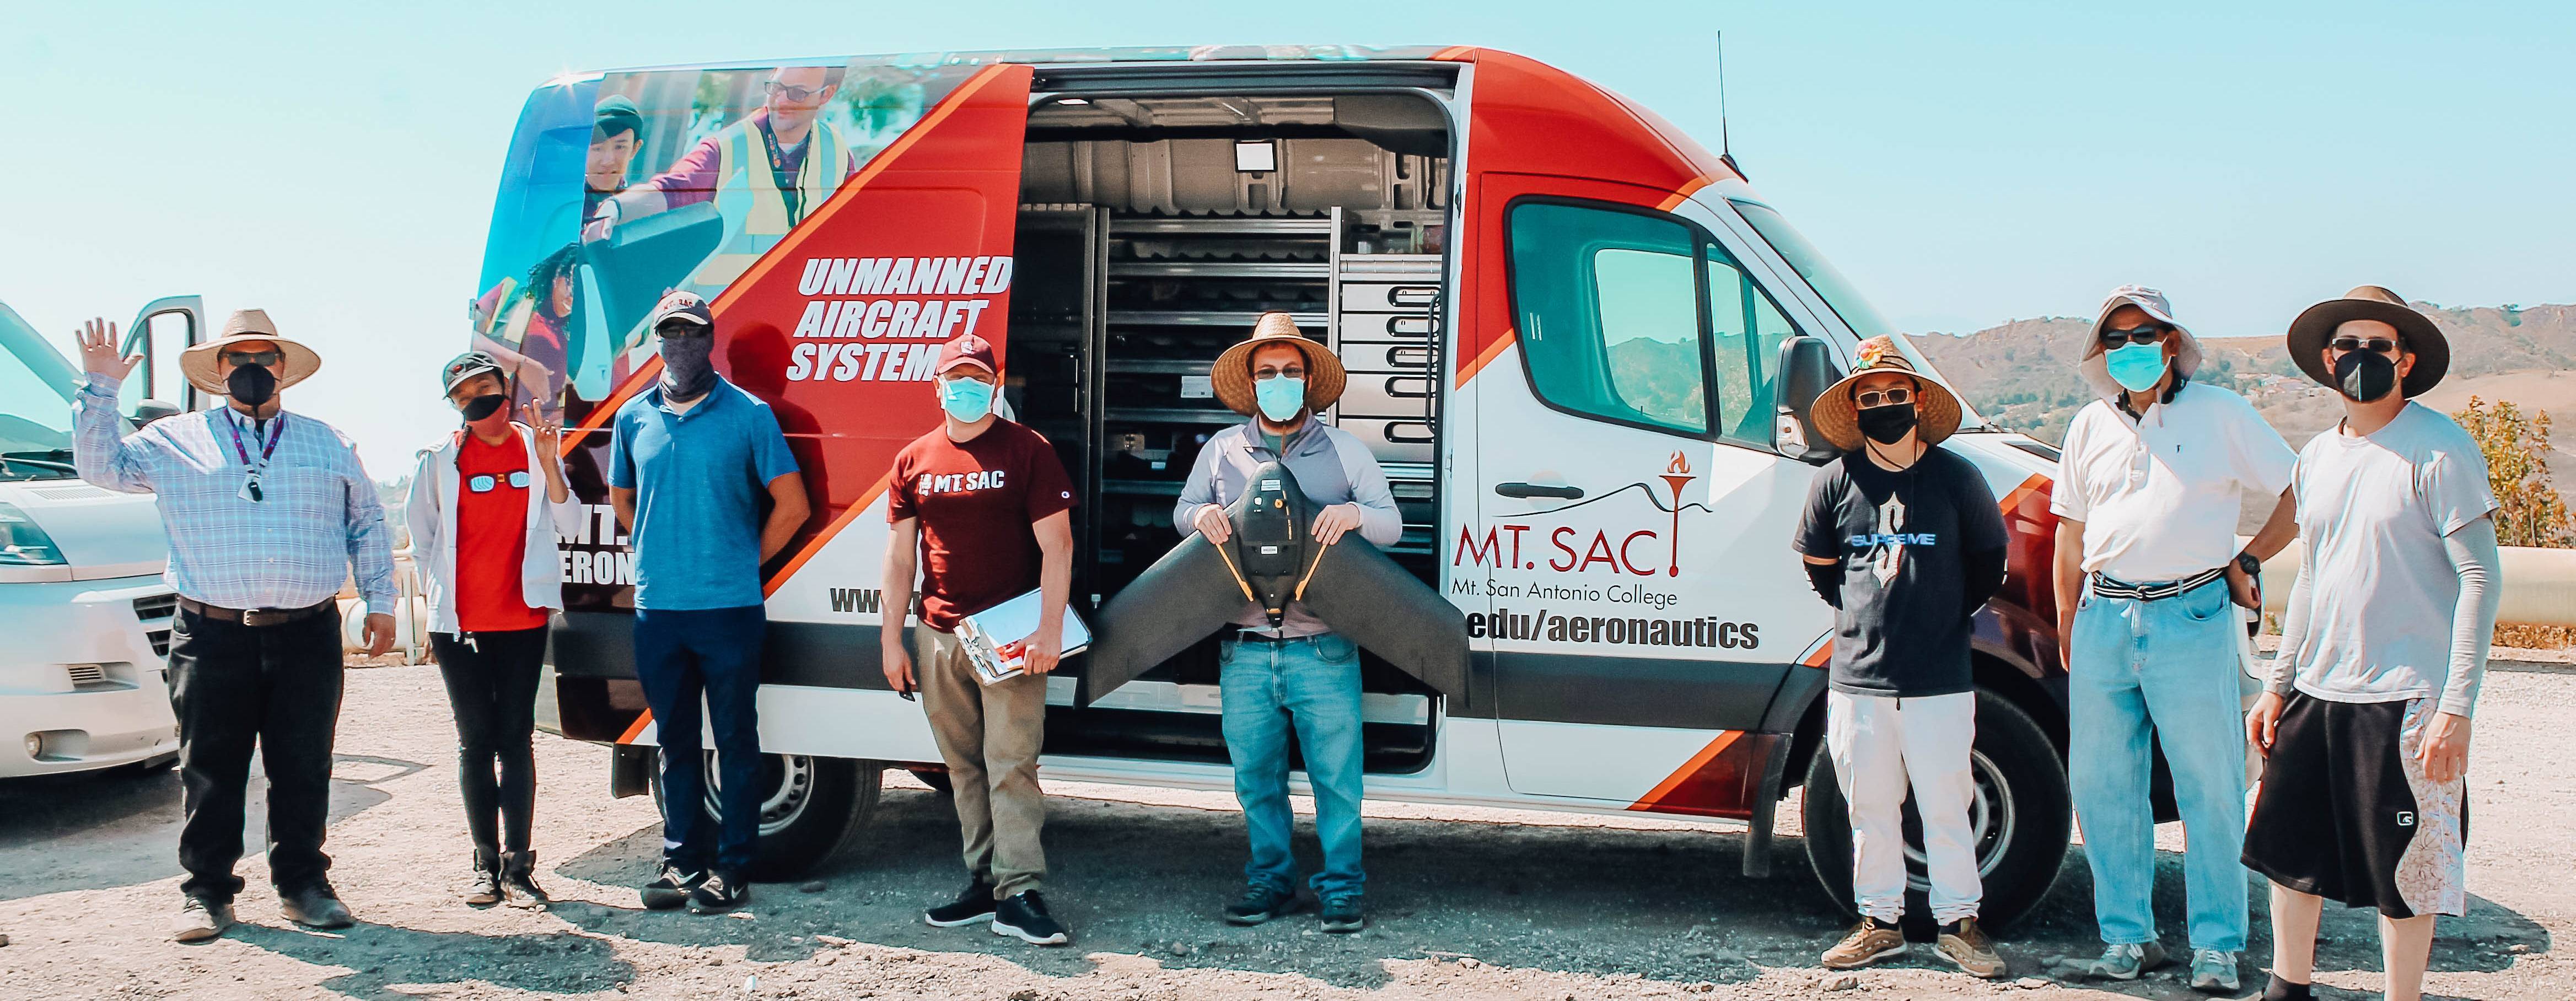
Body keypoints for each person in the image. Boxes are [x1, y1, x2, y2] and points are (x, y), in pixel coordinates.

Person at [69, 310, 397, 943]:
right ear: (218, 372)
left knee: (303, 765)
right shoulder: (172, 440)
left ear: (284, 370)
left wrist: (381, 600)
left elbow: (367, 523)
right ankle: (208, 892)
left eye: (265, 358)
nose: (252, 368)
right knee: (210, 766)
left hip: (307, 631)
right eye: (237, 358)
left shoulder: (328, 441)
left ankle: (303, 884)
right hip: (211, 630)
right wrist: (101, 388)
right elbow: (99, 466)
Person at [2244, 286, 2498, 1001]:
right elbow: (2314, 576)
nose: (2360, 359)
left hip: (2407, 699)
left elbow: (2481, 577)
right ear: (2328, 360)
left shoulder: (2440, 449)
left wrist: (2457, 706)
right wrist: (2275, 683)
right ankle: (2286, 989)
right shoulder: (2316, 457)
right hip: (2316, 693)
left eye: (2377, 348)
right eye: (2347, 347)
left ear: (2405, 361)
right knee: (2288, 858)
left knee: (2406, 873)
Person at [2051, 287, 2298, 992]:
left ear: (2169, 342)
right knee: (2102, 788)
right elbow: (2069, 528)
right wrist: (2067, 614)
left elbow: (2298, 488)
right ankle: (2128, 939)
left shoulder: (2220, 414)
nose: (2131, 347)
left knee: (2210, 786)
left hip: (2189, 614)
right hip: (2102, 617)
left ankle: (2217, 947)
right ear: (2103, 352)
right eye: (2117, 337)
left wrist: (2247, 558)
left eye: (2144, 333)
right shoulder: (2086, 427)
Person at [1173, 313, 1400, 934]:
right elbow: (1182, 511)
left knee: (1337, 782)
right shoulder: (1220, 451)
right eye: (1267, 372)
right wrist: (1201, 519)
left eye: (1290, 371)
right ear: (1252, 382)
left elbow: (1392, 524)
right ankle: (1269, 882)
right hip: (1244, 649)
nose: (1279, 380)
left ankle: (1341, 890)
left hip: (1323, 647)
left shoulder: (1346, 452)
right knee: (1257, 781)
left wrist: (1353, 513)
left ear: (1307, 381)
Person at [1794, 336, 2011, 980]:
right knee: (1869, 807)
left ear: (1916, 399)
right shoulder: (1835, 479)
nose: (1884, 405)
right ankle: (1878, 921)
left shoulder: (1955, 477)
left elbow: (1986, 563)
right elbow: (1819, 565)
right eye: (1870, 397)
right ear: (1855, 407)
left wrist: (1935, 619)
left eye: (1895, 394)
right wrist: (1867, 620)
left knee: (1946, 805)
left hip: (1938, 679)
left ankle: (1959, 924)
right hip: (1857, 681)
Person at [609, 290, 809, 914]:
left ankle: (733, 868)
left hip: (728, 611)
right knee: (673, 743)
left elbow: (794, 505)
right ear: (658, 342)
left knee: (734, 740)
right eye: (669, 332)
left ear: (709, 340)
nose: (680, 344)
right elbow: (624, 501)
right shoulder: (632, 418)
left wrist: (739, 560)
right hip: (658, 611)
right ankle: (679, 863)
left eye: (692, 333)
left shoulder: (748, 415)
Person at [882, 333, 1078, 946]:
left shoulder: (1029, 450)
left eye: (977, 376)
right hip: (938, 633)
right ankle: (983, 880)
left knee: (1011, 763)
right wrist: (893, 641)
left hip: (1011, 636)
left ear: (995, 384)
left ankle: (1018, 891)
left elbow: (1058, 545)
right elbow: (898, 561)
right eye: (955, 377)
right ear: (936, 386)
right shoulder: (912, 459)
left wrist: (1050, 628)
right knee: (962, 767)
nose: (966, 387)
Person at [404, 352, 582, 908]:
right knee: (475, 743)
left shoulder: (536, 447)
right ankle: (484, 864)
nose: (479, 398)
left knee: (516, 738)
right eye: (465, 393)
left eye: (487, 386)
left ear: (505, 389)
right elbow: (424, 541)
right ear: (455, 405)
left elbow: (571, 526)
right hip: (459, 625)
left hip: (522, 619)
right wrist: (445, 603)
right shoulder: (438, 461)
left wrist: (551, 466)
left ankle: (519, 867)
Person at [585, 66, 862, 295]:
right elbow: (671, 190)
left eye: (798, 93)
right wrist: (617, 209)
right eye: (776, 88)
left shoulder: (837, 153)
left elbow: (854, 230)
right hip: (723, 320)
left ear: (826, 95)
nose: (781, 100)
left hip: (797, 318)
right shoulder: (726, 148)